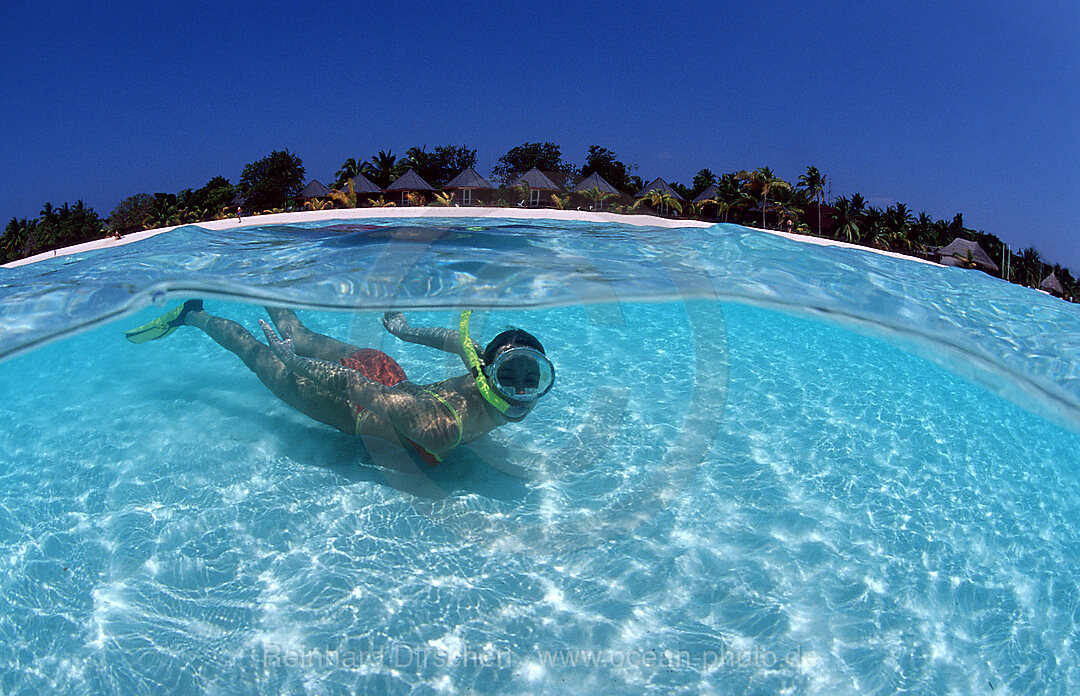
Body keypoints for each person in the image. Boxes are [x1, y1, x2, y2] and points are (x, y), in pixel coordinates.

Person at [124, 302, 554, 464]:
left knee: (303, 338)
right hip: (353, 402)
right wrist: (294, 365)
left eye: (531, 380)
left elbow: (452, 339)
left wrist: (404, 333)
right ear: (484, 368)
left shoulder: (479, 357)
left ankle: (265, 286)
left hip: (384, 372)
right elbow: (356, 389)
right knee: (258, 355)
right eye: (507, 377)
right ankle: (191, 315)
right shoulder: (440, 432)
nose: (517, 394)